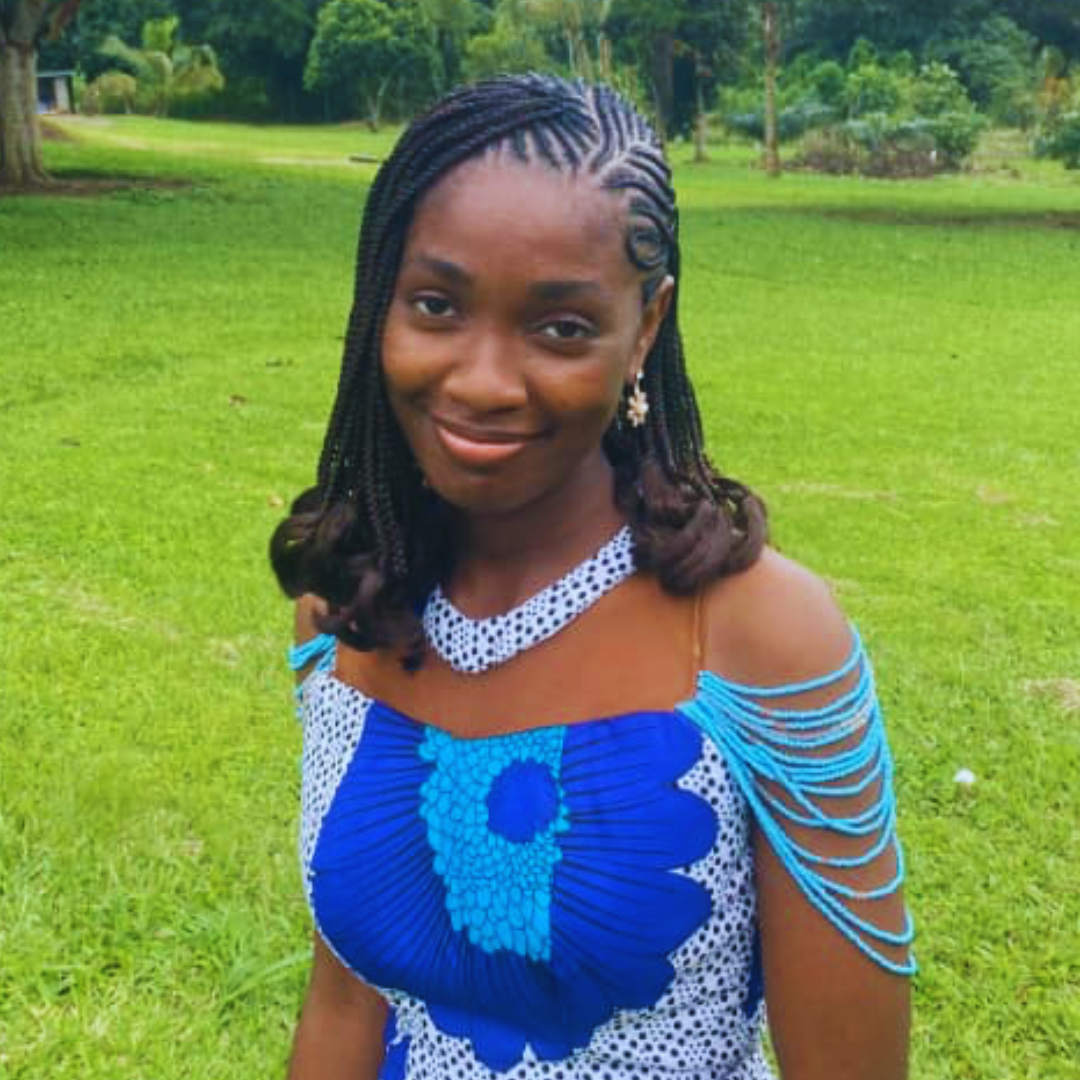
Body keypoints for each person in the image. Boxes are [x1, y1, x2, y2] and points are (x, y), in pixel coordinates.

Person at [271, 74, 913, 1080]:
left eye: (561, 328)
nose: (483, 381)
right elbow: (346, 1002)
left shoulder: (762, 638)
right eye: (435, 305)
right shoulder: (347, 605)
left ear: (645, 327)